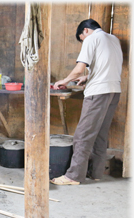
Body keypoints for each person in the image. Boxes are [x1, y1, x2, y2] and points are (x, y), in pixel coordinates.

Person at [50, 19, 123, 185]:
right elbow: (106, 67)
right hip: (113, 91)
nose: (83, 42)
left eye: (81, 39)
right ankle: (96, 173)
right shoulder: (113, 39)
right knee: (100, 135)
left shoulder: (91, 38)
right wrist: (87, 77)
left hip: (97, 93)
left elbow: (78, 68)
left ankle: (73, 176)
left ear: (85, 31)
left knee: (82, 136)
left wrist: (65, 81)